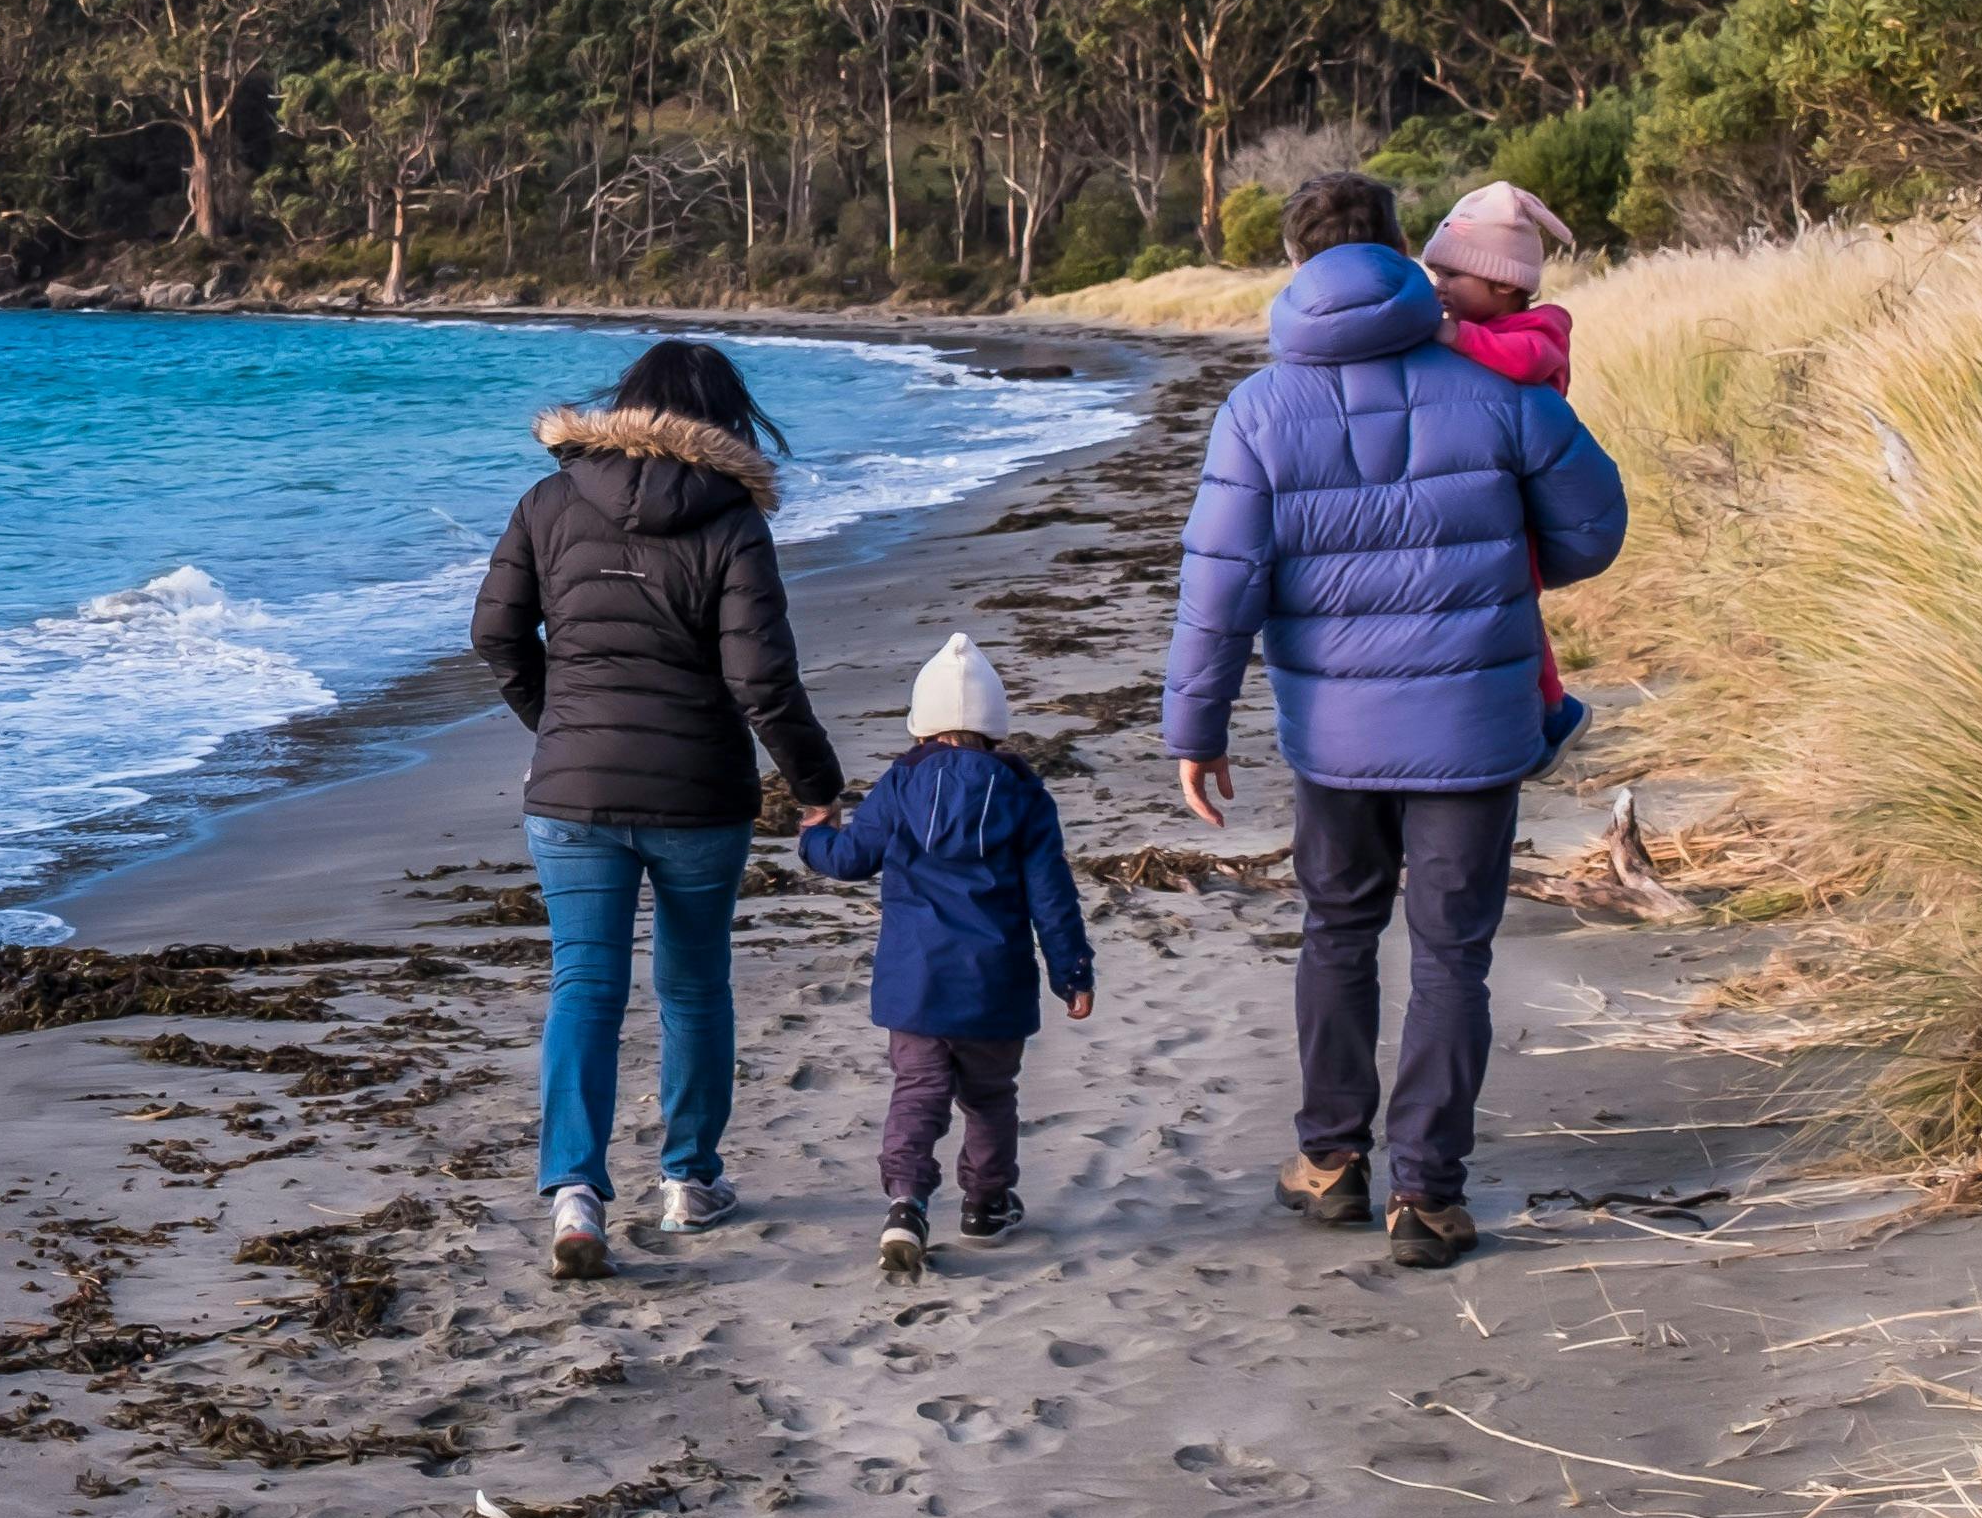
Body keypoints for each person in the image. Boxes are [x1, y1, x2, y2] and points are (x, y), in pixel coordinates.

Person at [1168, 178, 1628, 1272]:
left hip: (1334, 732)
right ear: (1406, 257)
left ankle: (1330, 1161)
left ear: (1293, 266)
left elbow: (1219, 581)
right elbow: (1594, 528)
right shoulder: (1490, 385)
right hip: (1474, 724)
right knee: (1450, 955)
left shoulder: (1259, 410)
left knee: (1336, 930)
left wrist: (1196, 725)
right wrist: (1501, 574)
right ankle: (1426, 1194)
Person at [474, 335, 846, 1281]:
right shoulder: (732, 521)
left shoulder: (549, 502)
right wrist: (816, 790)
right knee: (692, 985)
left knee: (584, 985)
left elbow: (495, 635)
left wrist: (556, 722)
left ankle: (574, 1193)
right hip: (699, 793)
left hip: (572, 790)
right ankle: (688, 1180)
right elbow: (763, 680)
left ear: (626, 402)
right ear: (724, 419)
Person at [797, 631, 1094, 1281]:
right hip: (995, 986)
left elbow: (850, 859)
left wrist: (815, 836)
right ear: (995, 725)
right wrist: (1071, 972)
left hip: (917, 985)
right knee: (990, 1098)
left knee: (919, 1091)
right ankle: (987, 1204)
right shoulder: (1024, 796)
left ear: (922, 724)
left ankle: (906, 1202)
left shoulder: (901, 784)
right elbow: (1052, 897)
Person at [1419, 178, 1591, 771]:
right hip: (1488, 500)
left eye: (1452, 277)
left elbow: (1521, 365)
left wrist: (1453, 336)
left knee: (1515, 608)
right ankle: (1534, 708)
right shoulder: (1476, 331)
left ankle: (1552, 712)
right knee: (1506, 609)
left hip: (1525, 505)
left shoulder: (1539, 333)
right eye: (1435, 274)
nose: (1439, 287)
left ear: (1503, 282)